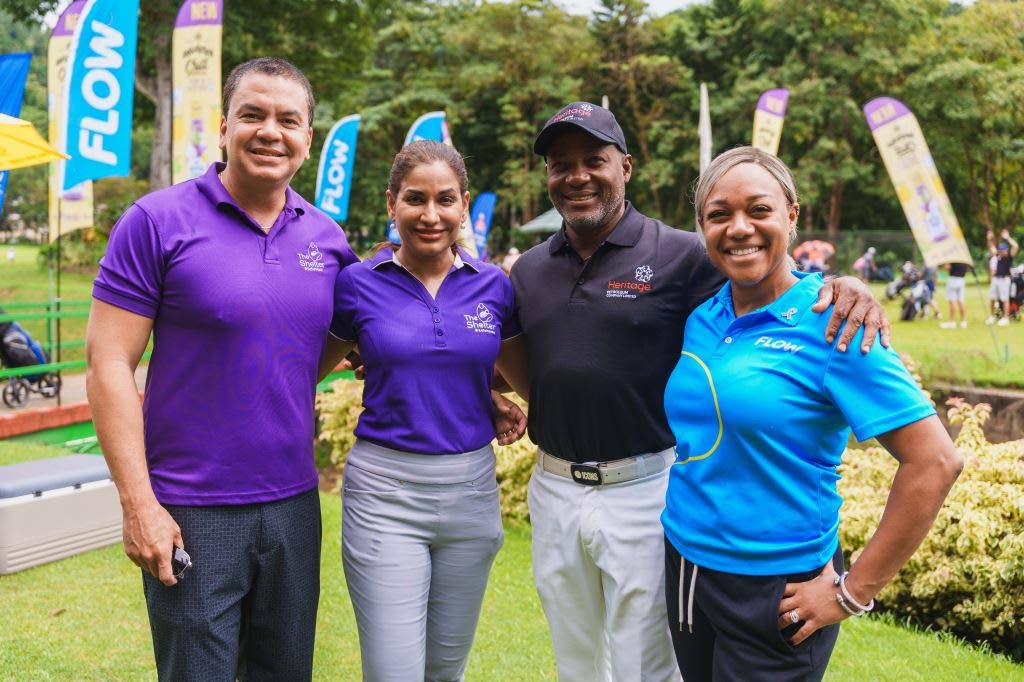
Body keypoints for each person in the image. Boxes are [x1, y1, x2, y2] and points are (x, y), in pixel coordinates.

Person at [510, 102, 890, 681]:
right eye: (561, 164)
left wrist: (843, 284)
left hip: (644, 487)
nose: (577, 175)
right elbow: (525, 354)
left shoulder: (682, 254)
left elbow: (764, 270)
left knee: (646, 666)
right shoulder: (529, 269)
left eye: (594, 160)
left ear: (626, 167)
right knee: (576, 661)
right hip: (554, 486)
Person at [85, 58, 361, 679]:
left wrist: (486, 396)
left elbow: (382, 342)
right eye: (253, 115)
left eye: (288, 119)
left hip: (294, 505)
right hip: (190, 509)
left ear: (308, 139)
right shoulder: (156, 222)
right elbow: (108, 364)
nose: (270, 131)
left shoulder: (327, 239)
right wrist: (139, 503)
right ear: (222, 127)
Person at [661, 146, 962, 681]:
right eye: (719, 214)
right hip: (687, 565)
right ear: (701, 227)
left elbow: (936, 462)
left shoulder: (837, 325)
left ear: (792, 215)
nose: (739, 228)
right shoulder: (706, 314)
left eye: (759, 210)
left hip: (778, 589)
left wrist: (852, 593)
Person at [329, 140, 530, 680]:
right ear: (392, 202)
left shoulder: (495, 286)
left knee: (445, 670)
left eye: (446, 200)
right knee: (394, 670)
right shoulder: (357, 285)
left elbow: (520, 377)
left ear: (464, 204)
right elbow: (305, 367)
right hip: (385, 494)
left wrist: (488, 396)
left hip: (471, 494)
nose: (431, 215)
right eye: (415, 199)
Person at [986, 229, 1019, 326]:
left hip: (1005, 279)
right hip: (996, 279)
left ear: (1006, 250)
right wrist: (989, 239)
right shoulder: (997, 256)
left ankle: (1005, 318)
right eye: (1000, 250)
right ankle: (992, 316)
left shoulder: (1009, 257)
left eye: (1003, 250)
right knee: (992, 298)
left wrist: (1008, 237)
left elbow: (1016, 246)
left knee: (1005, 299)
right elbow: (991, 247)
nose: (1001, 251)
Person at [939, 261, 971, 328]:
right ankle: (963, 321)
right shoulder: (963, 258)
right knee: (961, 300)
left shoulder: (953, 258)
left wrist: (946, 262)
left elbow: (946, 268)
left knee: (952, 301)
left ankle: (952, 321)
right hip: (962, 280)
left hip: (953, 280)